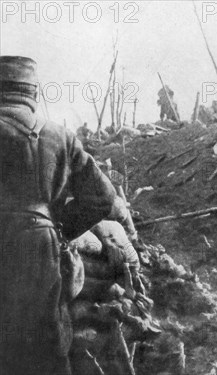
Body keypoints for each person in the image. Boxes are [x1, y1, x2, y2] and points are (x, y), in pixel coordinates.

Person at [0, 56, 120, 374]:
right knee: (47, 338)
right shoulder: (60, 136)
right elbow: (103, 197)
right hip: (41, 244)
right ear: (33, 94)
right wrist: (58, 228)